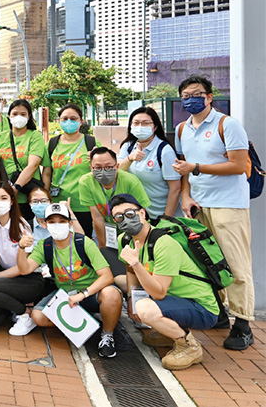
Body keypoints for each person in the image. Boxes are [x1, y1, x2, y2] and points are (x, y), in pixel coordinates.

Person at [174, 75, 254, 350]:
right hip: (199, 204)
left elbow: (237, 165)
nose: (191, 99)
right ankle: (219, 312)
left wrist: (196, 168)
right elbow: (182, 166)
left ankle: (242, 323)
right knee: (207, 262)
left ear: (210, 97)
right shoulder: (183, 128)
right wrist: (185, 196)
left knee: (235, 262)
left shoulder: (227, 124)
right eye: (185, 95)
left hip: (229, 204)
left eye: (197, 94)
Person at [110, 194, 220, 368]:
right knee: (120, 283)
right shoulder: (124, 239)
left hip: (201, 307)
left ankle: (189, 345)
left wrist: (136, 263)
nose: (125, 220)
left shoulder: (163, 243)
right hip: (175, 298)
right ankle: (169, 332)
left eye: (130, 213)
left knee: (145, 308)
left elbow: (159, 292)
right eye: (119, 217)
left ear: (142, 214)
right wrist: (131, 298)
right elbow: (130, 271)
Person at [17, 203, 122, 358]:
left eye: (62, 221)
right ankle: (89, 323)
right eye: (52, 222)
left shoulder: (83, 242)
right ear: (45, 225)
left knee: (111, 294)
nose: (57, 225)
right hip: (66, 295)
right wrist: (21, 248)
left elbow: (107, 276)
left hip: (92, 292)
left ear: (70, 223)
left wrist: (83, 294)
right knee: (38, 316)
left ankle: (107, 335)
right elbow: (25, 269)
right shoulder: (44, 245)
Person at [0, 182, 44, 334]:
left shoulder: (21, 226)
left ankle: (25, 313)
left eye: (4, 198)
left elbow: (23, 268)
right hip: (4, 280)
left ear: (12, 201)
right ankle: (14, 307)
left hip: (28, 279)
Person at [78, 147, 151, 289]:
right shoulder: (85, 182)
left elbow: (142, 215)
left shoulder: (130, 181)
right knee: (121, 281)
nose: (103, 171)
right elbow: (97, 218)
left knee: (136, 274)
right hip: (109, 234)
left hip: (132, 233)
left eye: (108, 167)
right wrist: (103, 249)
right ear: (91, 168)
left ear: (117, 166)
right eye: (97, 167)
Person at [117, 107, 182, 219]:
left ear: (155, 127)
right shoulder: (128, 146)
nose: (140, 127)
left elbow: (175, 188)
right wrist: (130, 158)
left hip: (160, 213)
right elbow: (117, 172)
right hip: (137, 214)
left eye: (146, 123)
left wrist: (167, 218)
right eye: (136, 123)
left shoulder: (164, 150)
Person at [42, 104, 98, 233]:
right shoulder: (52, 144)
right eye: (64, 119)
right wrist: (46, 198)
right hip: (58, 204)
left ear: (81, 121)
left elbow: (102, 169)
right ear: (59, 121)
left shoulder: (91, 143)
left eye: (73, 119)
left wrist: (95, 161)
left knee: (83, 243)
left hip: (84, 205)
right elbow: (47, 172)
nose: (69, 122)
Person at [0, 99, 45, 221]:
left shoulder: (34, 136)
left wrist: (15, 188)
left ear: (29, 116)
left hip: (28, 197)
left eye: (23, 114)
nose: (18, 117)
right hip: (6, 198)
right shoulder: (1, 137)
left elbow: (33, 165)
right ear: (9, 116)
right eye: (14, 114)